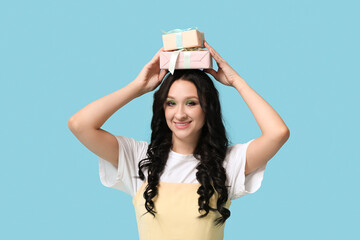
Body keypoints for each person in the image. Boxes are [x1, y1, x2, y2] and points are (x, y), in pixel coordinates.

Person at [68, 41, 290, 240]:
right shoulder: (140, 159)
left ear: (207, 108)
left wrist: (236, 81)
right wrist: (137, 87)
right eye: (171, 103)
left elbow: (277, 133)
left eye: (191, 103)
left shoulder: (226, 164)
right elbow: (80, 125)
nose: (180, 114)